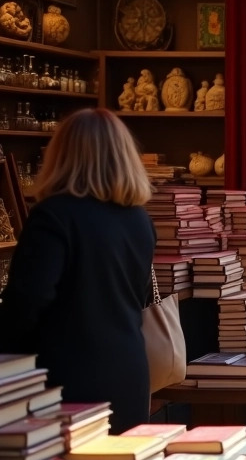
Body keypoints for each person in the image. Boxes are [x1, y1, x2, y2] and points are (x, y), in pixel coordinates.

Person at [0, 109, 156, 432]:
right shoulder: (138, 220)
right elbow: (138, 297)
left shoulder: (53, 216)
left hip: (64, 382)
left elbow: (26, 303)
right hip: (130, 374)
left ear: (62, 155)